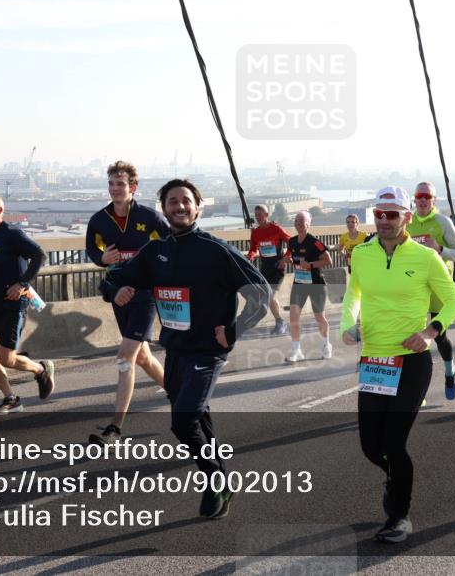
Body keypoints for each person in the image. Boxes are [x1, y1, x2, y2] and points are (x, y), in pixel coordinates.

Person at [100, 178, 271, 519]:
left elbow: (261, 293)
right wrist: (114, 292)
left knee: (183, 420)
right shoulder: (156, 251)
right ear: (164, 209)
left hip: (208, 351)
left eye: (185, 201)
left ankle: (215, 480)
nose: (179, 206)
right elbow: (113, 276)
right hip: (175, 348)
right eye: (172, 202)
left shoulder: (215, 249)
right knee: (199, 416)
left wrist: (234, 330)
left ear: (198, 206)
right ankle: (219, 479)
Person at [340, 186, 455, 543]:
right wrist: (348, 324)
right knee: (369, 445)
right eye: (378, 214)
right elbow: (354, 294)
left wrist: (430, 332)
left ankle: (400, 516)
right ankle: (395, 479)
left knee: (394, 443)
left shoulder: (426, 258)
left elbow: (453, 301)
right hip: (375, 359)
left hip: (412, 362)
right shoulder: (362, 254)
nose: (384, 220)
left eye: (392, 214)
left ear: (407, 217)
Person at [85, 161, 170, 446]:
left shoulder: (150, 217)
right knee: (142, 357)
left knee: (125, 357)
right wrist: (101, 259)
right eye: (111, 184)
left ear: (133, 187)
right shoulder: (99, 220)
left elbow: (173, 246)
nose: (115, 189)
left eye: (120, 184)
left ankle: (115, 430)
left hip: (145, 294)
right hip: (117, 292)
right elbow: (91, 249)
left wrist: (159, 272)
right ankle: (179, 393)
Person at [0, 193, 54, 415]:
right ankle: (10, 398)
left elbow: (39, 256)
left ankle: (40, 369)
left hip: (13, 302)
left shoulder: (12, 234)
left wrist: (22, 283)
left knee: (6, 358)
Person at [407, 182, 455, 399]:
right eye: (419, 196)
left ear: (434, 200)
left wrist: (440, 249)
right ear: (414, 199)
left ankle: (450, 373)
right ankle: (416, 390)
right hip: (414, 287)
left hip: (439, 288)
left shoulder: (443, 222)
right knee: (411, 337)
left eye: (427, 196)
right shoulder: (408, 222)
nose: (422, 200)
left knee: (439, 337)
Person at [281, 211, 334, 362]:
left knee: (319, 317)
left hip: (316, 284)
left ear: (308, 224)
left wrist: (310, 264)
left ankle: (326, 345)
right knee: (293, 316)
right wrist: (287, 259)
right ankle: (296, 349)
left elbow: (328, 260)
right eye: (296, 220)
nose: (298, 223)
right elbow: (290, 254)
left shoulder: (314, 242)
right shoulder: (291, 241)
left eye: (301, 221)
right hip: (299, 284)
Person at [246, 204, 291, 335]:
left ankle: (280, 322)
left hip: (278, 268)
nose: (257, 217)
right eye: (256, 215)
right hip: (264, 268)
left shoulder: (276, 229)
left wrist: (285, 258)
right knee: (268, 296)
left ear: (267, 215)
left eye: (260, 215)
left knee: (270, 295)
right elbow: (253, 248)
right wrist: (251, 256)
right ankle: (279, 321)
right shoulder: (255, 232)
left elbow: (292, 244)